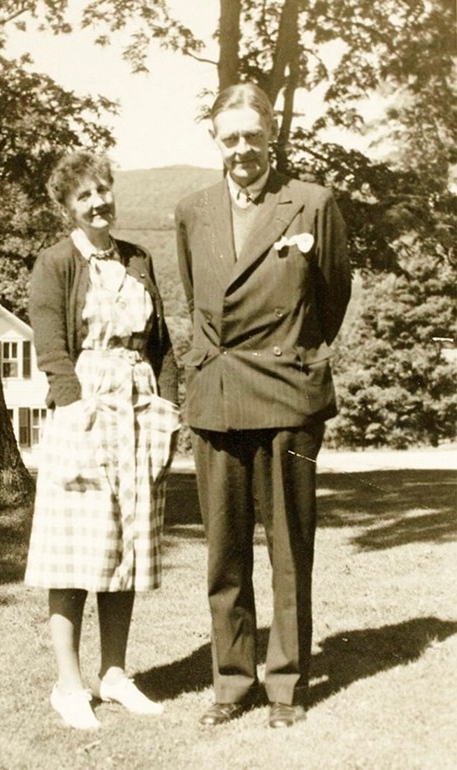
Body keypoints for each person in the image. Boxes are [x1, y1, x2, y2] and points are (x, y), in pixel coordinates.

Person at [175, 83, 351, 729]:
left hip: (288, 396)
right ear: (215, 141)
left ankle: (285, 687)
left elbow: (333, 298)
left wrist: (296, 352)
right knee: (224, 552)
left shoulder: (311, 203)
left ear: (271, 132)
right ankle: (231, 682)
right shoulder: (192, 209)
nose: (243, 149)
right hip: (217, 396)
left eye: (253, 135)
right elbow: (198, 296)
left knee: (288, 549)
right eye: (231, 137)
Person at [25, 150, 179, 730]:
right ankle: (68, 686)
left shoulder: (138, 260)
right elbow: (52, 350)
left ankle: (114, 675)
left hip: (138, 409)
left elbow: (159, 341)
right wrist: (76, 411)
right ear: (67, 206)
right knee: (75, 552)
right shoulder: (56, 263)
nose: (99, 203)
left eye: (104, 190)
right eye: (85, 196)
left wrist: (167, 404)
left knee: (126, 547)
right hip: (84, 408)